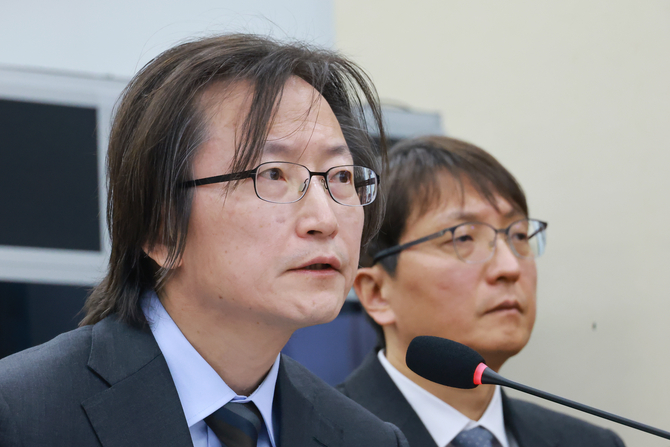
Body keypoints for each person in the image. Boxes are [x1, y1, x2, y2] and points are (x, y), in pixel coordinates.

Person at [0, 34, 409, 447]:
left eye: (341, 177)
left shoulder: (367, 439)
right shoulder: (23, 415)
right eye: (272, 174)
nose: (324, 220)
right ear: (161, 229)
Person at [338, 136, 625, 447]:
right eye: (463, 238)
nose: (510, 267)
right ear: (377, 293)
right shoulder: (323, 435)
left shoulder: (591, 442)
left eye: (519, 235)